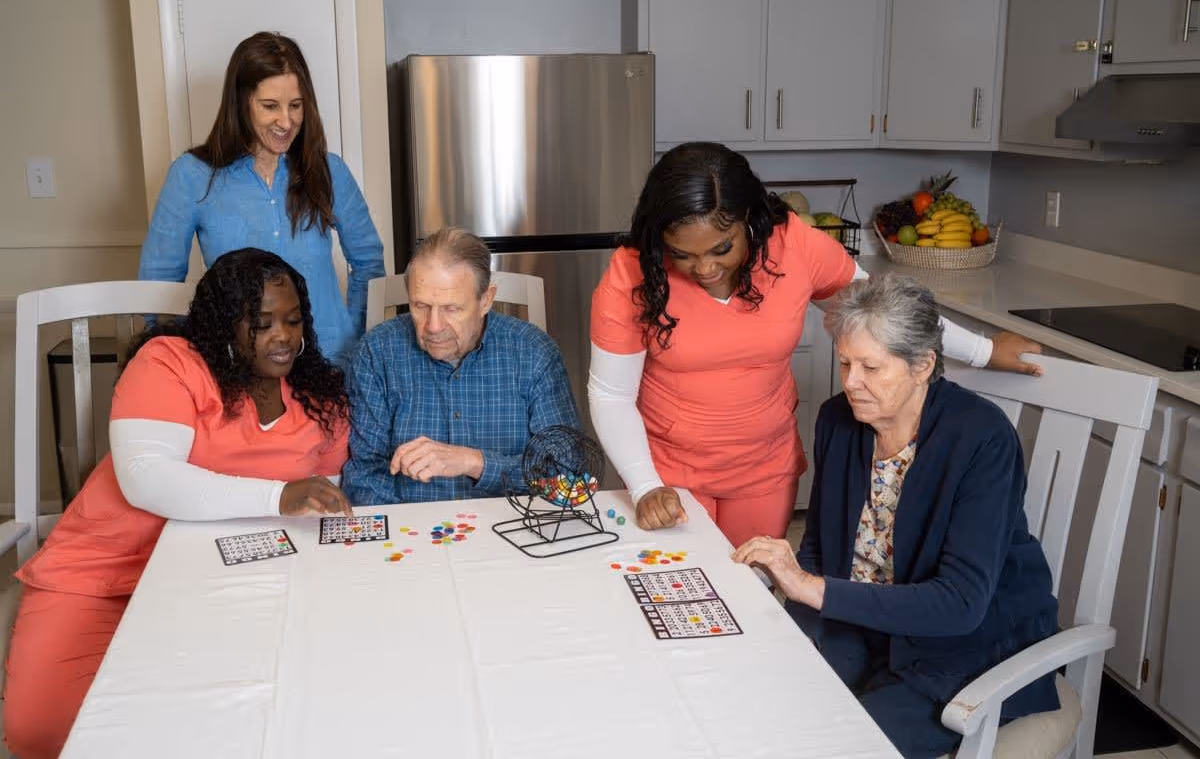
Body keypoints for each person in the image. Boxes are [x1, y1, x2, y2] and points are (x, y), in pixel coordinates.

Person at [589, 141, 1043, 548]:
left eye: (720, 249)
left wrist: (984, 351)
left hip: (763, 468)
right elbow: (612, 395)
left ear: (750, 221)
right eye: (682, 254)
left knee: (756, 596)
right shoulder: (633, 272)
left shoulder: (793, 245)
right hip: (669, 470)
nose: (704, 268)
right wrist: (645, 485)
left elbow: (884, 313)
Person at [3, 249, 354, 759]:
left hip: (224, 581)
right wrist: (280, 495)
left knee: (225, 725)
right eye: (260, 323)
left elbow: (326, 492)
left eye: (293, 319)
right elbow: (147, 479)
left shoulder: (319, 393)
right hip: (104, 573)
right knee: (43, 729)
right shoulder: (170, 362)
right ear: (222, 323)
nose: (282, 336)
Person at [731, 274, 1059, 758]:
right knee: (765, 708)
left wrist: (809, 588)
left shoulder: (982, 439)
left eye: (871, 367)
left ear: (922, 365)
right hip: (860, 621)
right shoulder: (838, 420)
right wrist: (797, 622)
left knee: (843, 746)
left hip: (961, 646)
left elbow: (961, 603)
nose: (851, 382)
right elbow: (821, 546)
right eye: (845, 363)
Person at [138, 31, 385, 366]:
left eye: (296, 105)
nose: (286, 121)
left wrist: (354, 340)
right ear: (242, 103)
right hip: (238, 372)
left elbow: (369, 262)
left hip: (328, 367)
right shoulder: (192, 176)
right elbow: (158, 285)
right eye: (270, 106)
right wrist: (196, 360)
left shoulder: (330, 172)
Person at [343, 227, 579, 504]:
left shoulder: (534, 353)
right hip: (412, 535)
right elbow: (364, 477)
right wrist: (409, 540)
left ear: (486, 300)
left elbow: (568, 471)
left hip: (512, 532)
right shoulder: (376, 352)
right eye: (420, 306)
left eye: (451, 309)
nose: (433, 326)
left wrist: (474, 462)